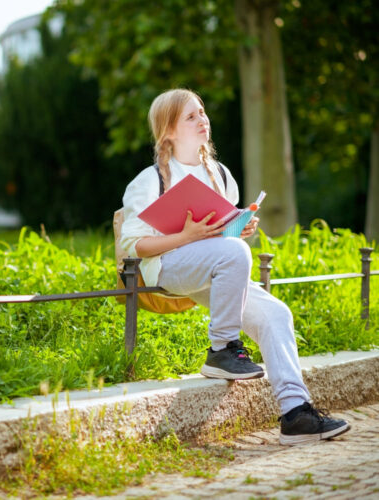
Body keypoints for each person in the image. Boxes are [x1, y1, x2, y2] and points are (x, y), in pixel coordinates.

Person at [119, 88, 350, 446]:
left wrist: (241, 228)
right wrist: (187, 235)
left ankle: (295, 413)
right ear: (168, 131)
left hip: (214, 268)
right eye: (191, 116)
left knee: (277, 315)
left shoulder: (221, 175)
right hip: (165, 267)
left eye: (203, 112)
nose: (203, 120)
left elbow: (224, 242)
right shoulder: (151, 180)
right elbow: (132, 247)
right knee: (235, 253)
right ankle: (222, 348)